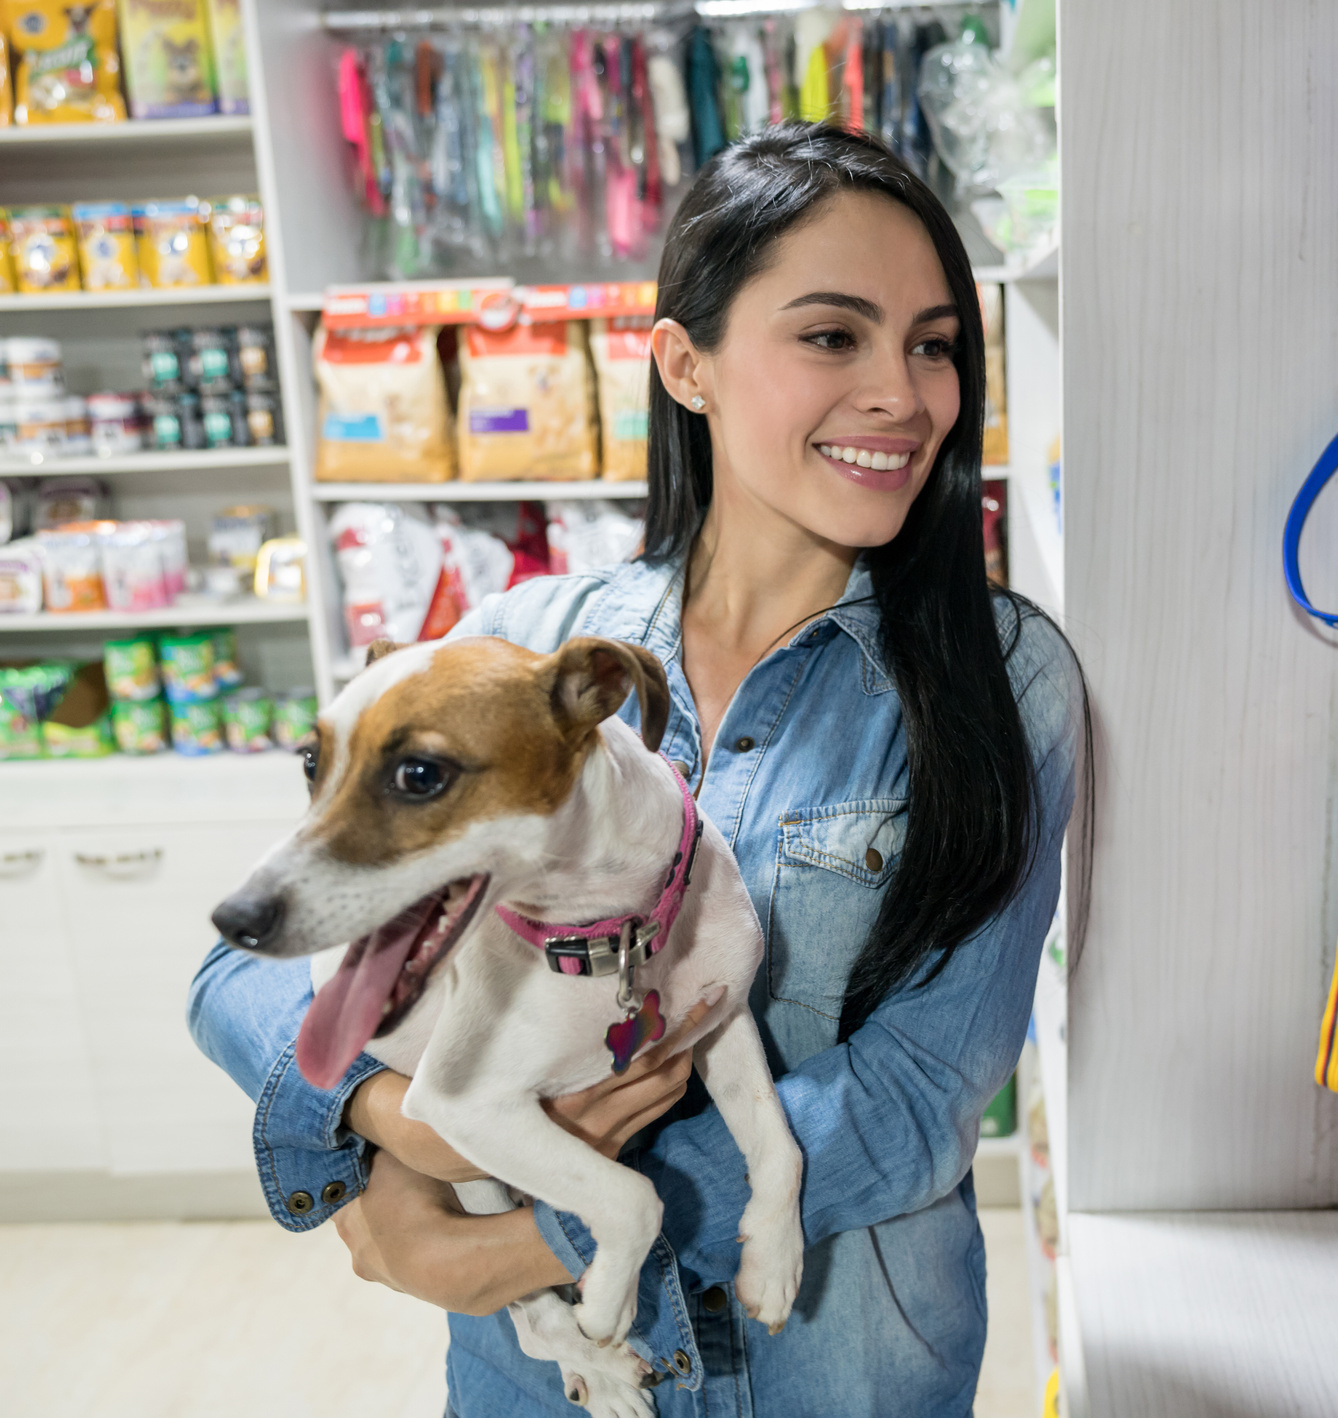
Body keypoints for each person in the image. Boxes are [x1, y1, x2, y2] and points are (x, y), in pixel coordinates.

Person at [189, 123, 1085, 1418]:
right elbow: (240, 967)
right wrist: (394, 1121)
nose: (903, 391)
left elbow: (921, 1097)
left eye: (934, 342)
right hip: (540, 1383)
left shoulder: (1001, 683)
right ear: (686, 364)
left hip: (833, 1368)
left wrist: (538, 1236)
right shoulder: (527, 648)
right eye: (833, 335)